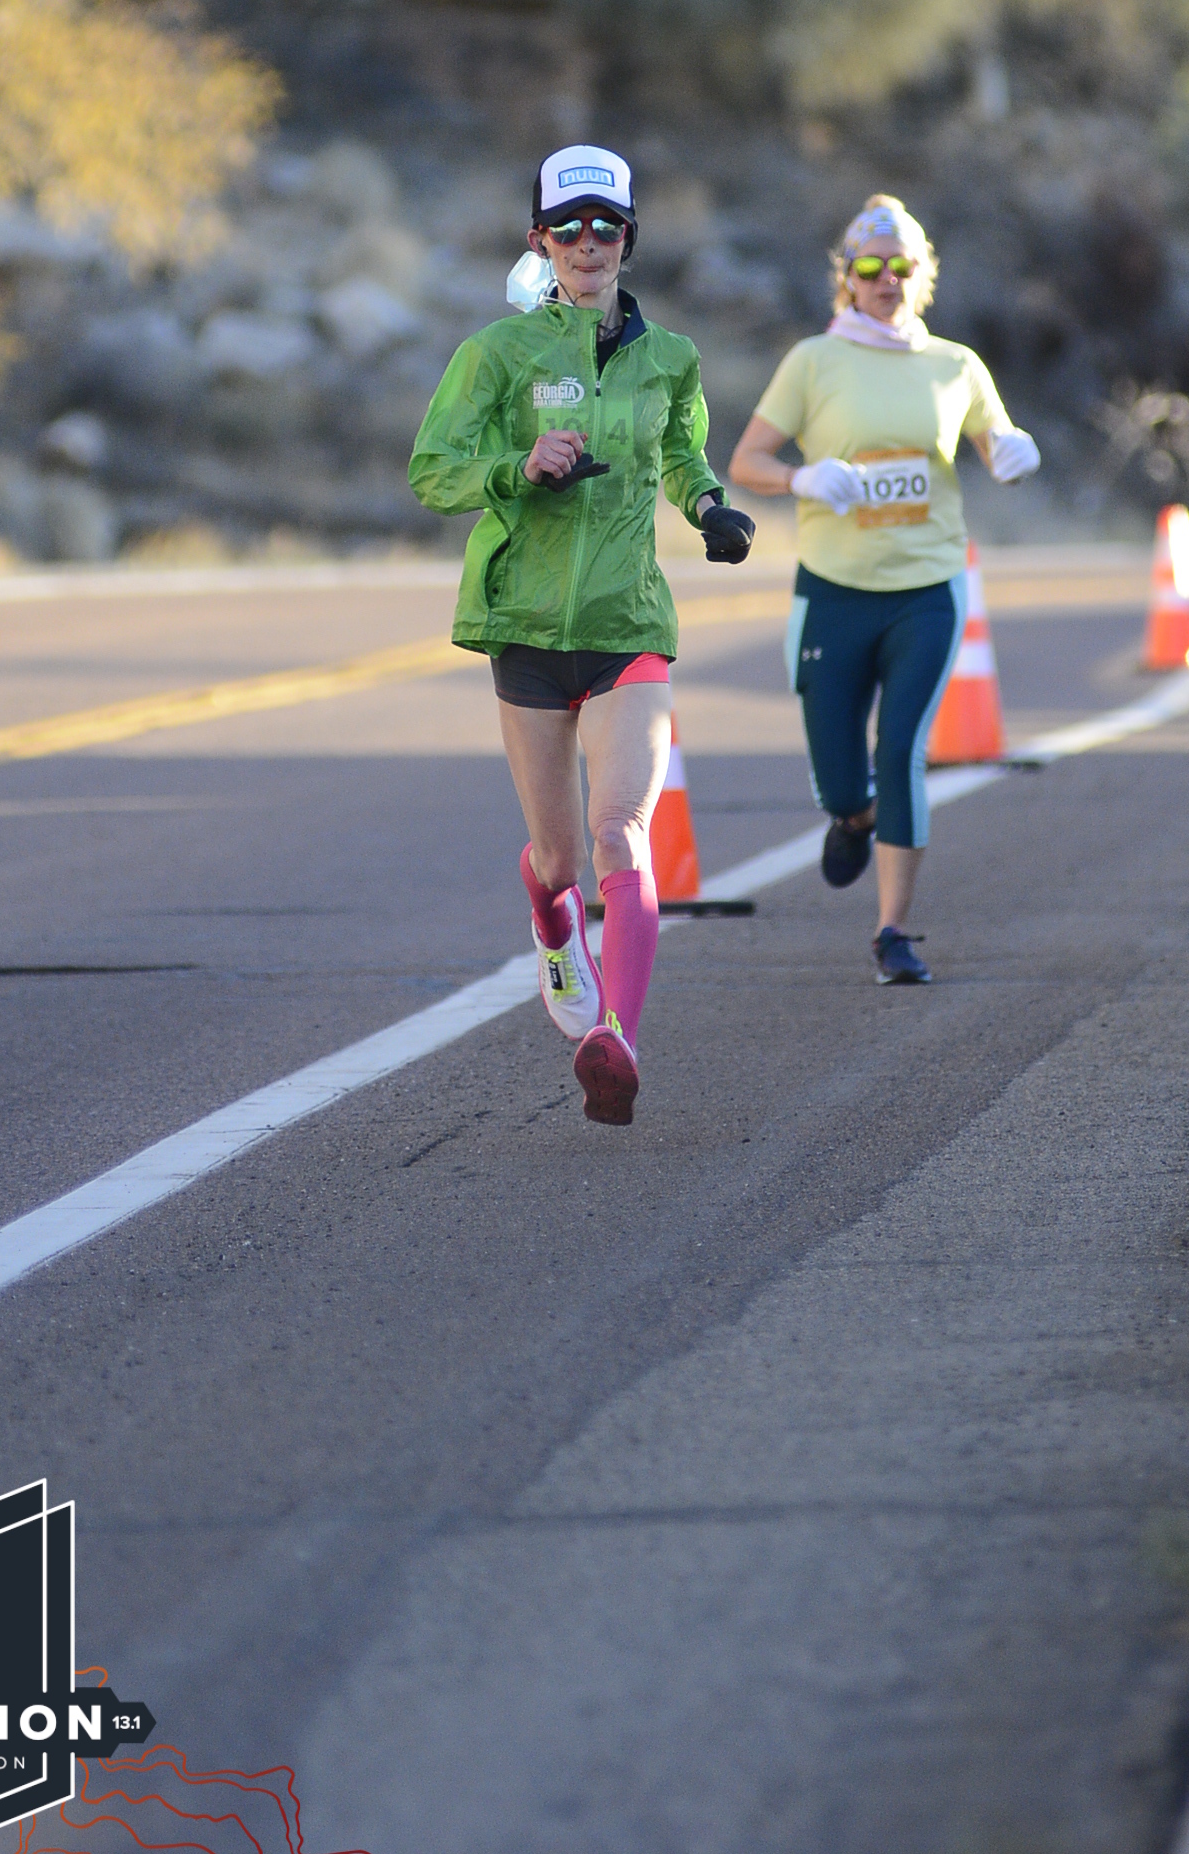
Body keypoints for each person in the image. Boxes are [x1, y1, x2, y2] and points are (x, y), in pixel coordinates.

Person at [409, 145, 755, 1123]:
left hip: (626, 623)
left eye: (606, 226)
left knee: (619, 834)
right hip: (523, 627)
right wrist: (518, 467)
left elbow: (681, 450)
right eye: (568, 228)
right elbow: (432, 469)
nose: (588, 243)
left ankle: (617, 1039)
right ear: (540, 241)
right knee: (560, 863)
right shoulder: (497, 353)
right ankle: (552, 924)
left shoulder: (671, 357)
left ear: (628, 239)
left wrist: (710, 507)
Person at [726, 193, 1039, 985]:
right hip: (833, 590)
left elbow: (995, 438)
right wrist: (801, 477)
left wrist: (1012, 451)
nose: (886, 279)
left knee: (900, 751)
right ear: (848, 277)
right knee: (841, 777)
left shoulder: (956, 365)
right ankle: (854, 816)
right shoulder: (813, 361)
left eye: (902, 265)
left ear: (922, 274)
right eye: (870, 266)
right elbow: (746, 462)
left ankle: (892, 931)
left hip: (926, 588)